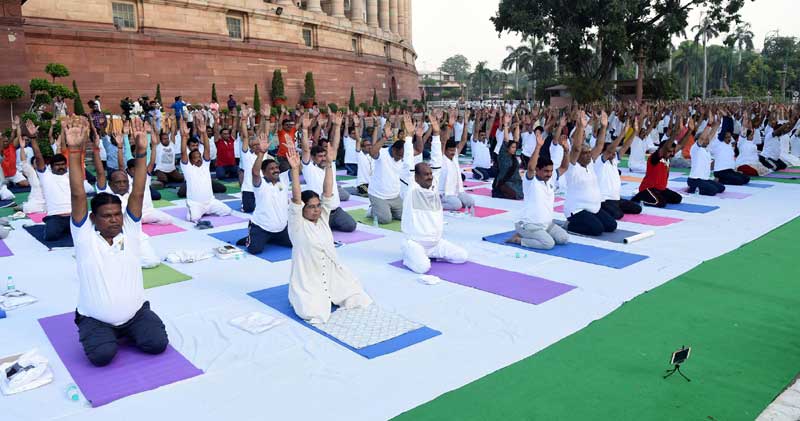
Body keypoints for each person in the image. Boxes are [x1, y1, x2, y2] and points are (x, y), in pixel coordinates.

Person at [64, 115, 168, 367]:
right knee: (102, 357)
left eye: (117, 215)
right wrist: (75, 151)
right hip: (96, 319)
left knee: (157, 344)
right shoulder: (85, 236)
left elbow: (138, 192)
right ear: (93, 218)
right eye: (107, 216)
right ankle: (102, 332)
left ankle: (129, 329)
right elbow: (78, 194)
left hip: (135, 314)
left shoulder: (130, 230)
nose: (114, 220)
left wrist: (141, 151)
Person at [286, 142, 372, 324]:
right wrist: (295, 170)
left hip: (332, 273)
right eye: (311, 207)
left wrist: (330, 164)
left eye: (318, 206)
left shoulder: (323, 218)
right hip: (309, 278)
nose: (316, 210)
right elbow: (296, 198)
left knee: (358, 298)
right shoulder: (297, 224)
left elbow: (327, 191)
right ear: (302, 209)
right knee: (314, 312)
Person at [401, 113, 468, 273]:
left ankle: (428, 256)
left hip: (435, 243)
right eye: (426, 175)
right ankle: (409, 255)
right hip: (415, 242)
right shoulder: (411, 187)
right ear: (416, 177)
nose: (430, 177)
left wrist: (436, 133)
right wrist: (409, 138)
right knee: (423, 268)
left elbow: (437, 160)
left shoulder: (434, 185)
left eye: (430, 174)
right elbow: (408, 162)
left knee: (462, 257)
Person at [92, 124, 161, 268]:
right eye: (118, 182)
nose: (122, 184)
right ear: (110, 184)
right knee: (113, 263)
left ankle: (129, 258)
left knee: (153, 261)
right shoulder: (106, 192)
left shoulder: (133, 192)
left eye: (125, 182)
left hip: (135, 233)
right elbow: (100, 172)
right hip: (116, 236)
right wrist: (96, 149)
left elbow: (142, 170)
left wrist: (145, 148)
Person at [506, 128, 569, 249]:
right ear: (538, 170)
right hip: (529, 224)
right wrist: (538, 146)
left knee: (564, 239)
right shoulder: (531, 181)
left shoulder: (551, 178)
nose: (549, 174)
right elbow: (530, 167)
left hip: (546, 224)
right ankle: (518, 239)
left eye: (550, 171)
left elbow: (564, 167)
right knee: (548, 244)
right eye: (546, 171)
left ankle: (534, 235)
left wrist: (566, 151)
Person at [235, 131, 293, 254]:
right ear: (264, 172)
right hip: (262, 227)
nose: (276, 170)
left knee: (296, 244)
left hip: (281, 228)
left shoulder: (283, 179)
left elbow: (297, 170)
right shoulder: (260, 184)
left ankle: (270, 238)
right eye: (271, 169)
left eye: (276, 168)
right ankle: (253, 236)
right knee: (254, 250)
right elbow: (255, 173)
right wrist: (261, 153)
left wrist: (294, 153)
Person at [561, 110, 617, 236]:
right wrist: (581, 127)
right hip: (577, 210)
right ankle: (569, 225)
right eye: (585, 153)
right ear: (578, 156)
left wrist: (604, 127)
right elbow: (576, 148)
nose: (588, 155)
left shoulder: (590, 163)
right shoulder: (572, 166)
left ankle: (590, 220)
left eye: (589, 152)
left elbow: (600, 145)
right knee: (597, 229)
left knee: (611, 225)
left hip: (592, 208)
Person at [300, 111, 356, 232]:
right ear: (313, 158)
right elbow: (305, 150)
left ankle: (329, 224)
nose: (324, 158)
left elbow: (335, 146)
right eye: (320, 156)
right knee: (316, 232)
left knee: (351, 226)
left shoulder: (330, 164)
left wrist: (337, 126)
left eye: (325, 155)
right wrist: (304, 130)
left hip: (335, 210)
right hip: (319, 211)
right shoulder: (309, 168)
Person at [179, 112, 232, 222]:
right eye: (195, 157)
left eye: (199, 156)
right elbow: (183, 152)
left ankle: (207, 211)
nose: (199, 158)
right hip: (196, 203)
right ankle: (195, 210)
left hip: (211, 202)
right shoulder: (187, 167)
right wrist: (184, 137)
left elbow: (207, 149)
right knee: (193, 218)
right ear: (190, 160)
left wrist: (204, 133)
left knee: (227, 211)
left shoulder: (205, 165)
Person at [592, 113, 642, 219]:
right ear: (604, 152)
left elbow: (625, 146)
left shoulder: (614, 161)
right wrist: (623, 133)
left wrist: (635, 131)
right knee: (618, 215)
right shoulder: (599, 161)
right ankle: (596, 209)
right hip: (604, 200)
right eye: (612, 152)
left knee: (637, 209)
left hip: (617, 199)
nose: (614, 153)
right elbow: (610, 150)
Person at [29, 119, 72, 241]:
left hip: (74, 215)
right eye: (57, 165)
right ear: (51, 167)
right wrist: (33, 138)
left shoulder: (71, 175)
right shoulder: (46, 176)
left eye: (63, 164)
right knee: (51, 237)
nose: (61, 167)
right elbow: (38, 157)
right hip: (55, 216)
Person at [367, 119, 410, 224]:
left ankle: (385, 209)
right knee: (385, 220)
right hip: (378, 195)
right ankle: (372, 210)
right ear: (394, 150)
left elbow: (419, 150)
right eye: (399, 155)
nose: (400, 158)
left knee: (406, 217)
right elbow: (372, 152)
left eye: (402, 156)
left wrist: (417, 135)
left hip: (394, 196)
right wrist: (385, 137)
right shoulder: (383, 153)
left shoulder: (403, 155)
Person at [439, 109, 475, 211]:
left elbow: (463, 140)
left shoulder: (454, 156)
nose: (453, 152)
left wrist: (466, 123)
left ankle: (454, 200)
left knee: (470, 203)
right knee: (457, 205)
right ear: (445, 150)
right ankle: (436, 204)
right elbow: (443, 141)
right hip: (444, 193)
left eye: (453, 150)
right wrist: (450, 125)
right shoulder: (441, 158)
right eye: (450, 150)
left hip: (457, 191)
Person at [687, 113, 726, 195]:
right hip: (695, 179)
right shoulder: (695, 148)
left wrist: (718, 123)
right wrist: (709, 124)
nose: (707, 140)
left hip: (705, 179)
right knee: (713, 191)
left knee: (721, 188)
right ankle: (693, 188)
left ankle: (699, 187)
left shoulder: (706, 148)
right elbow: (702, 138)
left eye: (707, 139)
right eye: (705, 139)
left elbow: (712, 133)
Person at [709, 112, 751, 185]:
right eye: (727, 137)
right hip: (720, 172)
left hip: (730, 170)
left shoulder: (729, 144)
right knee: (740, 181)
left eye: (729, 137)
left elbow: (730, 128)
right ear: (722, 137)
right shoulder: (718, 143)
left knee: (746, 178)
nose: (729, 139)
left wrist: (730, 117)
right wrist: (725, 117)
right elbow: (724, 129)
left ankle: (723, 179)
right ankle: (719, 180)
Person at [492, 113, 523, 199]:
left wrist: (518, 124)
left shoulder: (513, 156)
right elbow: (506, 139)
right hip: (505, 181)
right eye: (512, 147)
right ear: (507, 148)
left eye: (515, 148)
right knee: (514, 194)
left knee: (521, 194)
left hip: (515, 181)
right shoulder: (503, 154)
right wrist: (505, 124)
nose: (514, 149)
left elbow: (516, 138)